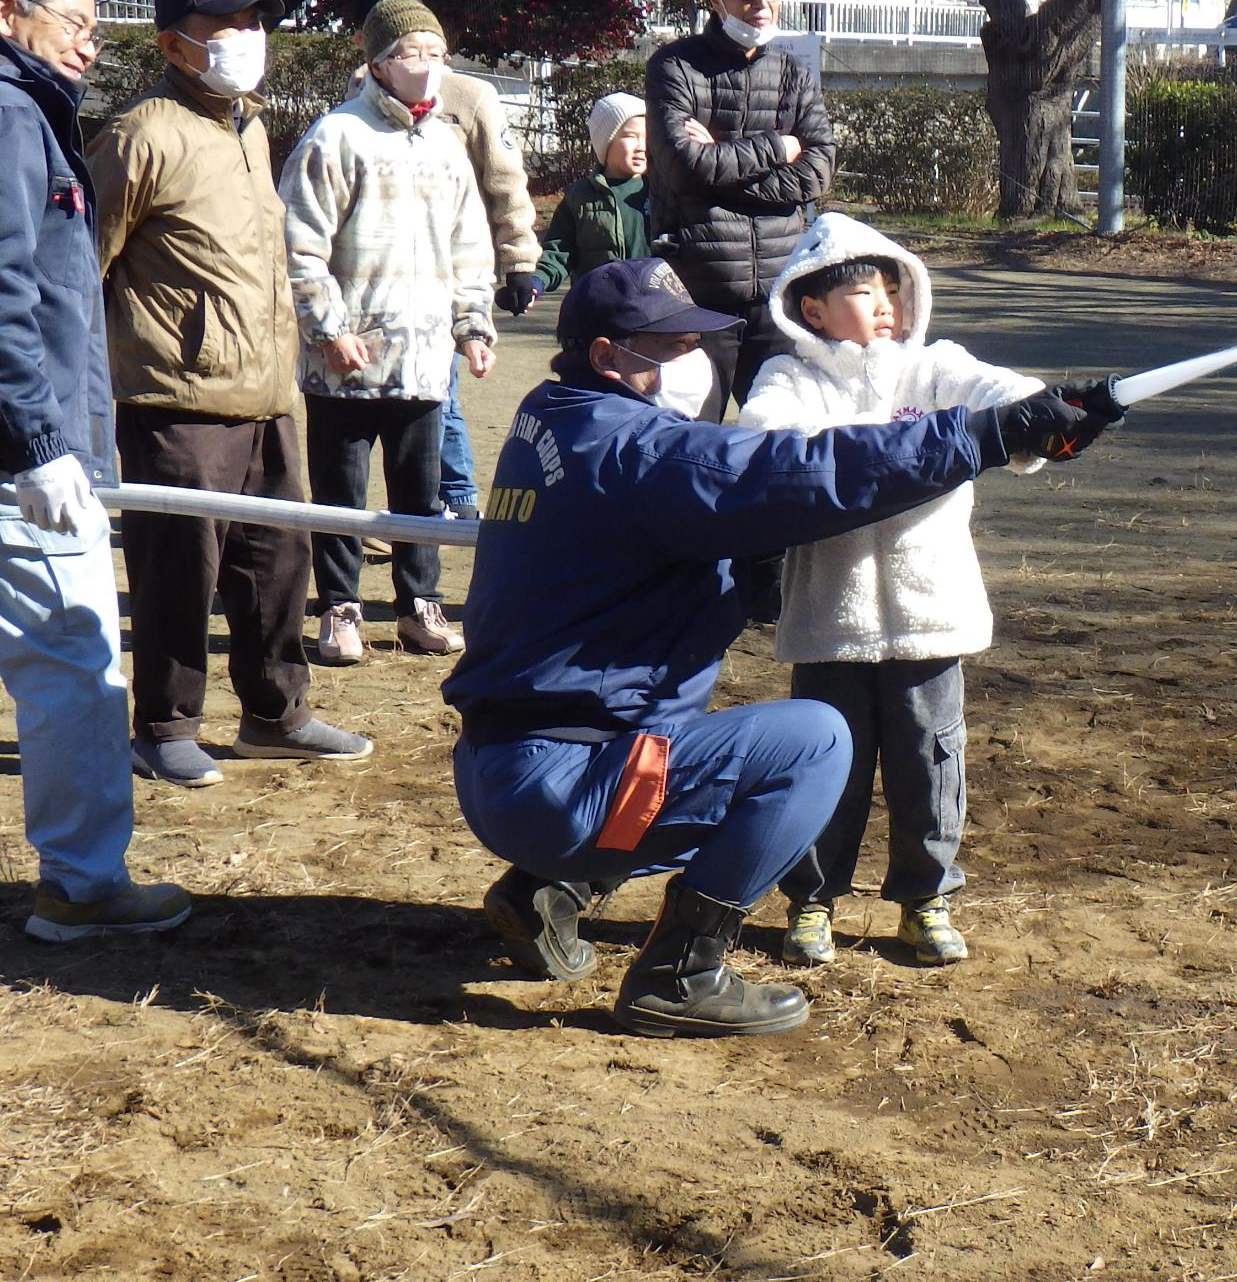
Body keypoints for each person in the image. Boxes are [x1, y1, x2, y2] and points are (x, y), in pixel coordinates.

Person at [443, 256, 1116, 1038]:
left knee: (689, 742)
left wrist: (741, 565)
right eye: (666, 346)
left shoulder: (550, 412)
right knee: (811, 745)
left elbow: (670, 523)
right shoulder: (640, 452)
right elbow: (799, 473)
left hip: (507, 766)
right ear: (606, 357)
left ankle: (545, 889)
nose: (690, 359)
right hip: (565, 785)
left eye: (692, 338)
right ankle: (679, 971)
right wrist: (984, 436)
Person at [737, 214, 1053, 968]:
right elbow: (773, 448)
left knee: (930, 761)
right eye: (860, 292)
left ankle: (925, 899)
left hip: (931, 618)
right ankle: (811, 901)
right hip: (828, 621)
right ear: (811, 309)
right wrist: (908, 449)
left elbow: (999, 392)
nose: (884, 306)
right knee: (822, 769)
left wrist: (1043, 408)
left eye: (891, 291)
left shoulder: (934, 367)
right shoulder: (790, 379)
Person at [87, 0, 372, 788]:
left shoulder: (249, 126)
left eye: (255, 22)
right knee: (180, 568)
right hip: (177, 397)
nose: (248, 38)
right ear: (175, 47)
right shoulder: (140, 135)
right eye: (227, 26)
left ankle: (276, 713)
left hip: (272, 391)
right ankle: (166, 723)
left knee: (279, 565)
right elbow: (80, 268)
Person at [0, 0, 191, 940]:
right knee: (75, 659)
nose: (89, 41)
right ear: (8, 11)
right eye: (74, 21)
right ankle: (79, 884)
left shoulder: (30, 113)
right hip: (19, 458)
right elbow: (4, 295)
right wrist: (40, 442)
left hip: (35, 443)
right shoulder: (6, 115)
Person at [281, 0, 497, 664]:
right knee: (341, 492)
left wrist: (473, 322)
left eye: (435, 54)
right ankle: (340, 608)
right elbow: (298, 242)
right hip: (346, 359)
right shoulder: (337, 136)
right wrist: (327, 327)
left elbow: (470, 245)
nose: (424, 66)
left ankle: (418, 605)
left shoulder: (446, 145)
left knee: (419, 493)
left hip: (425, 358)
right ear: (376, 61)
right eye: (409, 54)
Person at [345, 0, 540, 521]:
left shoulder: (470, 97)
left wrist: (519, 260)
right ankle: (392, 509)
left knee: (440, 392)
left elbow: (506, 181)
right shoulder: (356, 95)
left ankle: (455, 499)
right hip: (375, 275)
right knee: (382, 399)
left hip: (450, 270)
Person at [646, 0, 835, 419]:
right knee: (689, 438)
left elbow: (817, 172)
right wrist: (779, 147)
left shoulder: (794, 72)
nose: (762, 3)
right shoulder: (674, 66)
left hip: (779, 292)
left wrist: (720, 160)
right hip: (696, 294)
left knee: (784, 441)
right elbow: (683, 167)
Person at [531, 92, 648, 294]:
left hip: (654, 309)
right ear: (606, 142)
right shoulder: (579, 198)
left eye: (647, 137)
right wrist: (536, 281)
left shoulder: (661, 191)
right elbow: (558, 252)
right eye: (630, 136)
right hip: (598, 309)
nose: (642, 147)